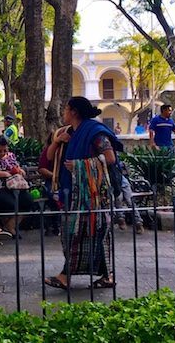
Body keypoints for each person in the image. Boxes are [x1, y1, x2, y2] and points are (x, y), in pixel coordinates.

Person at [44, 96, 123, 290]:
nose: (63, 113)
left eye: (65, 109)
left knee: (78, 233)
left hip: (94, 194)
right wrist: (58, 141)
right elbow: (48, 157)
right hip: (76, 193)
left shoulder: (95, 132)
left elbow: (110, 158)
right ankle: (107, 275)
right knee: (85, 234)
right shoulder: (68, 132)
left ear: (74, 112)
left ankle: (65, 276)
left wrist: (80, 165)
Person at [0, 136, 33, 237]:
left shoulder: (11, 156)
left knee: (28, 201)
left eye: (4, 150)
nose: (2, 153)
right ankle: (4, 227)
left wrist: (20, 171)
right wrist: (4, 174)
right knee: (10, 203)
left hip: (14, 186)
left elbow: (17, 167)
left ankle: (10, 225)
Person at [37, 131, 60, 236]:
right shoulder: (47, 151)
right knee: (52, 195)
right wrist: (55, 176)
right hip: (52, 181)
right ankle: (55, 225)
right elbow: (42, 169)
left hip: (64, 182)